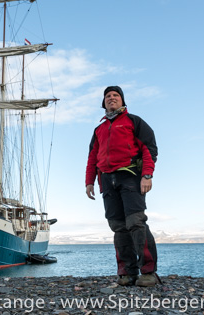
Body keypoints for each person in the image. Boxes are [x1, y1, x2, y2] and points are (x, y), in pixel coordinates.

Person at [85, 86, 159, 287]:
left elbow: (149, 149)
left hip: (130, 177)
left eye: (115, 96)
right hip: (107, 181)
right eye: (108, 96)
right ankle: (127, 272)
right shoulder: (99, 130)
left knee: (136, 222)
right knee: (118, 227)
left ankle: (149, 272)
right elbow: (92, 157)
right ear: (104, 103)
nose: (111, 98)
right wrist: (89, 181)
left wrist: (147, 175)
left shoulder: (134, 121)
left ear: (122, 100)